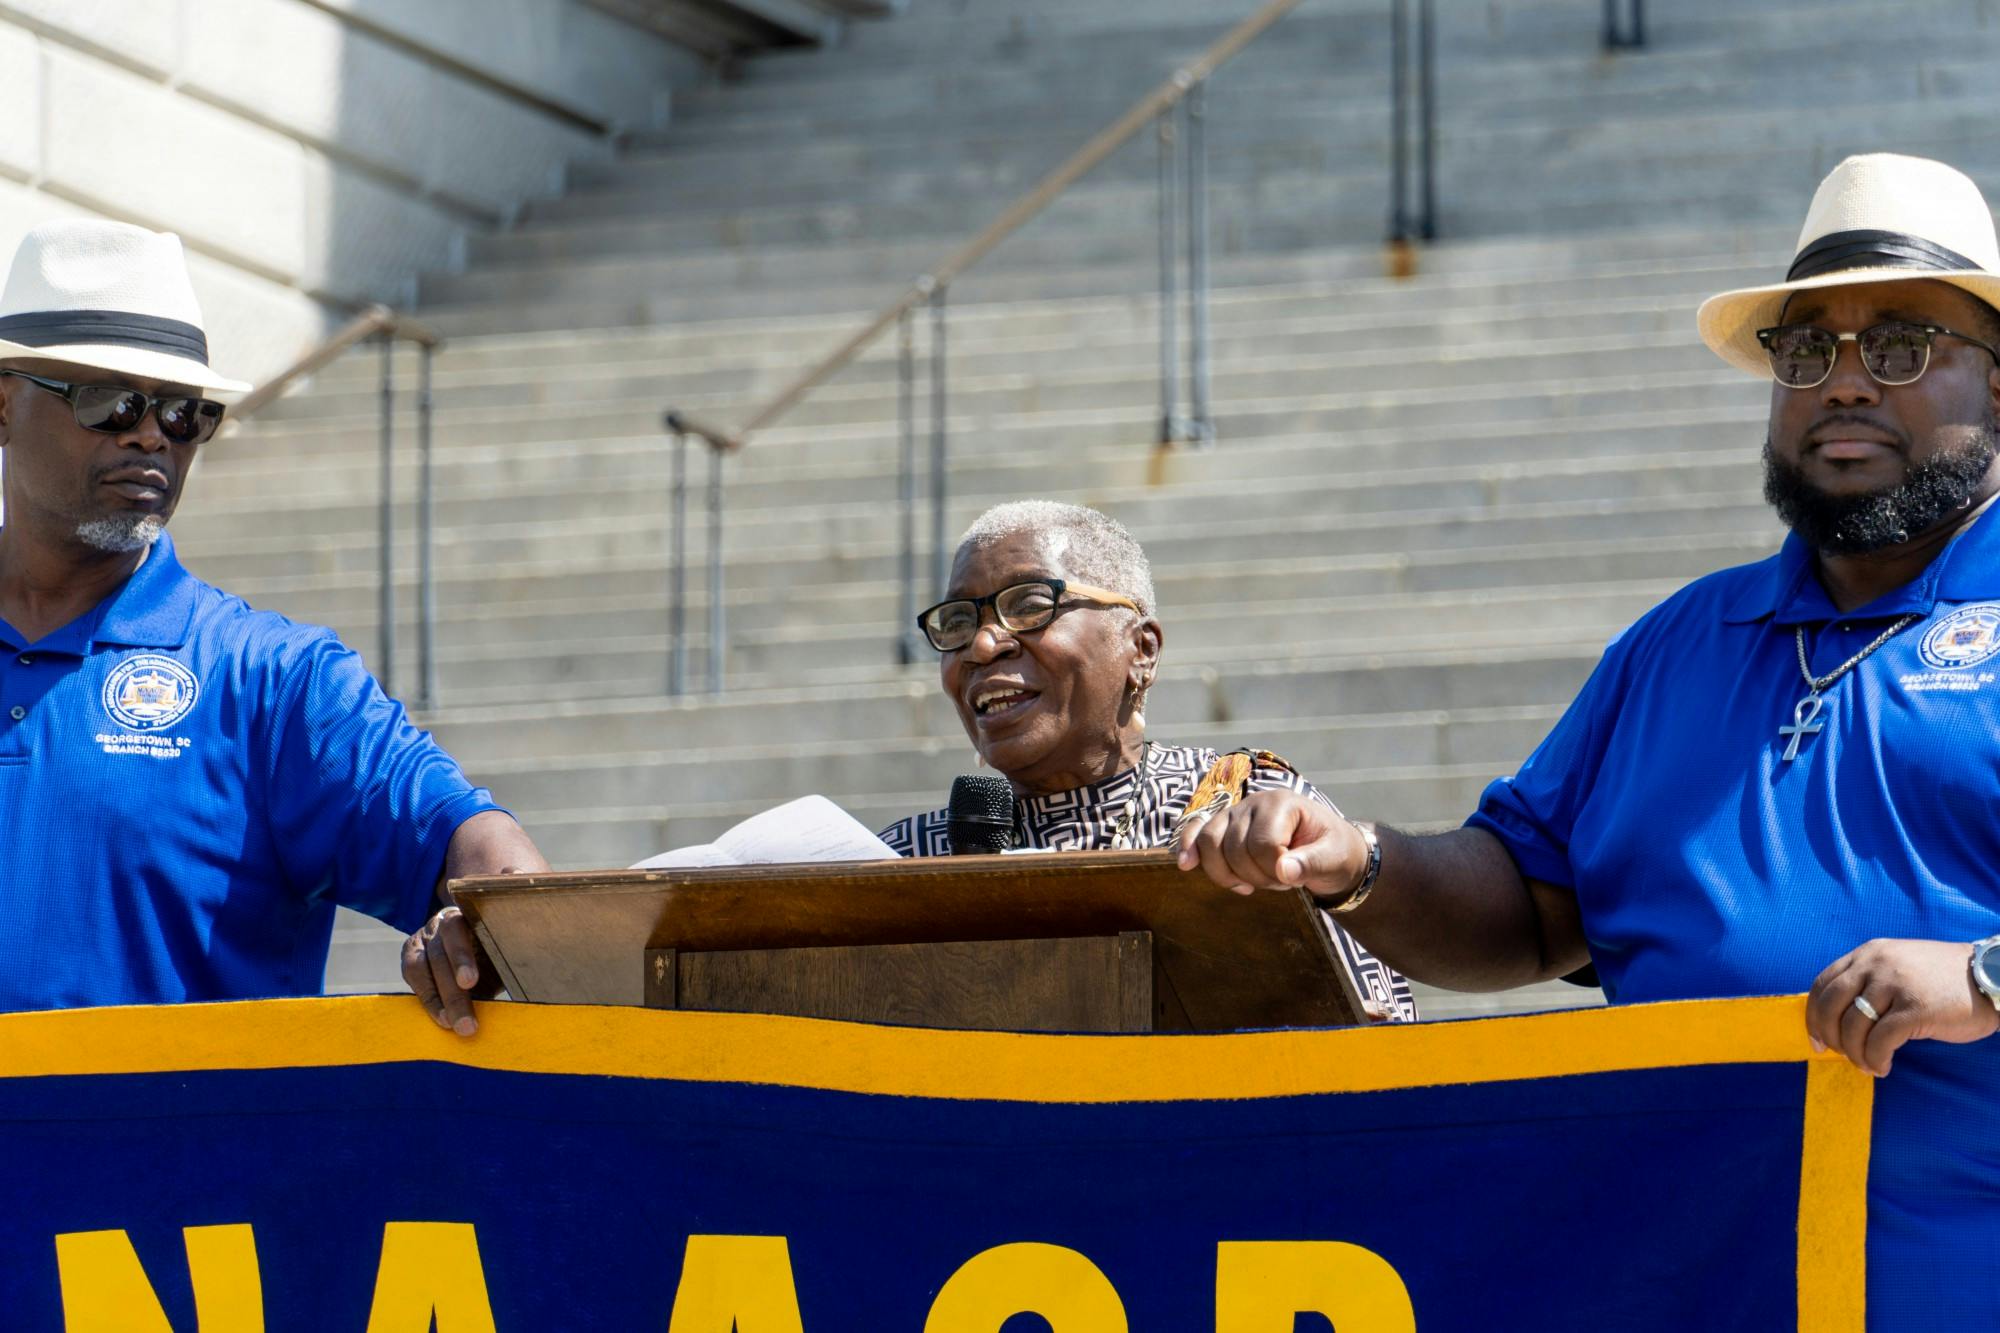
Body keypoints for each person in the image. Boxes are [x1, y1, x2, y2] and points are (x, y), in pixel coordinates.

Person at [1176, 153, 2000, 1320]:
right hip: (1688, 1280)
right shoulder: (1677, 642)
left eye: (1901, 345)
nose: (1843, 384)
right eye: (1805, 350)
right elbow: (1525, 902)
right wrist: (1355, 859)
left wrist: (1979, 973)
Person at [0, 218, 542, 1035]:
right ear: (3, 404)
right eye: (112, 400)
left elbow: (494, 862)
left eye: (186, 413)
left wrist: (486, 932)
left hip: (178, 1165)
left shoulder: (277, 681)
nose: (153, 434)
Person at [881, 499, 1416, 1021]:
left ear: (1142, 651)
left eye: (1028, 605)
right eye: (957, 621)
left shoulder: (1248, 811)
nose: (983, 643)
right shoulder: (897, 866)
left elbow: (1377, 1042)